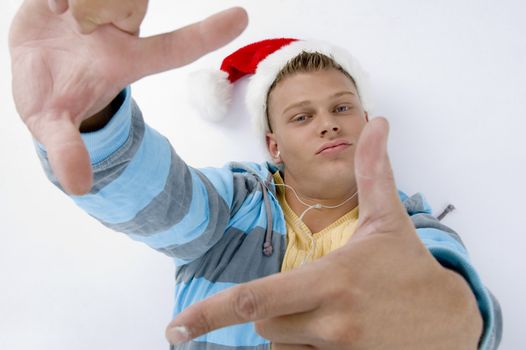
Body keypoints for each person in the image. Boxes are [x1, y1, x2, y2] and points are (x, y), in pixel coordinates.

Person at [9, 1, 502, 349]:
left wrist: (456, 324)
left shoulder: (414, 230)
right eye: (301, 116)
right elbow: (152, 195)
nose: (328, 121)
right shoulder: (231, 206)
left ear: (368, 123)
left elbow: (464, 312)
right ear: (273, 145)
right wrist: (92, 114)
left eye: (342, 106)